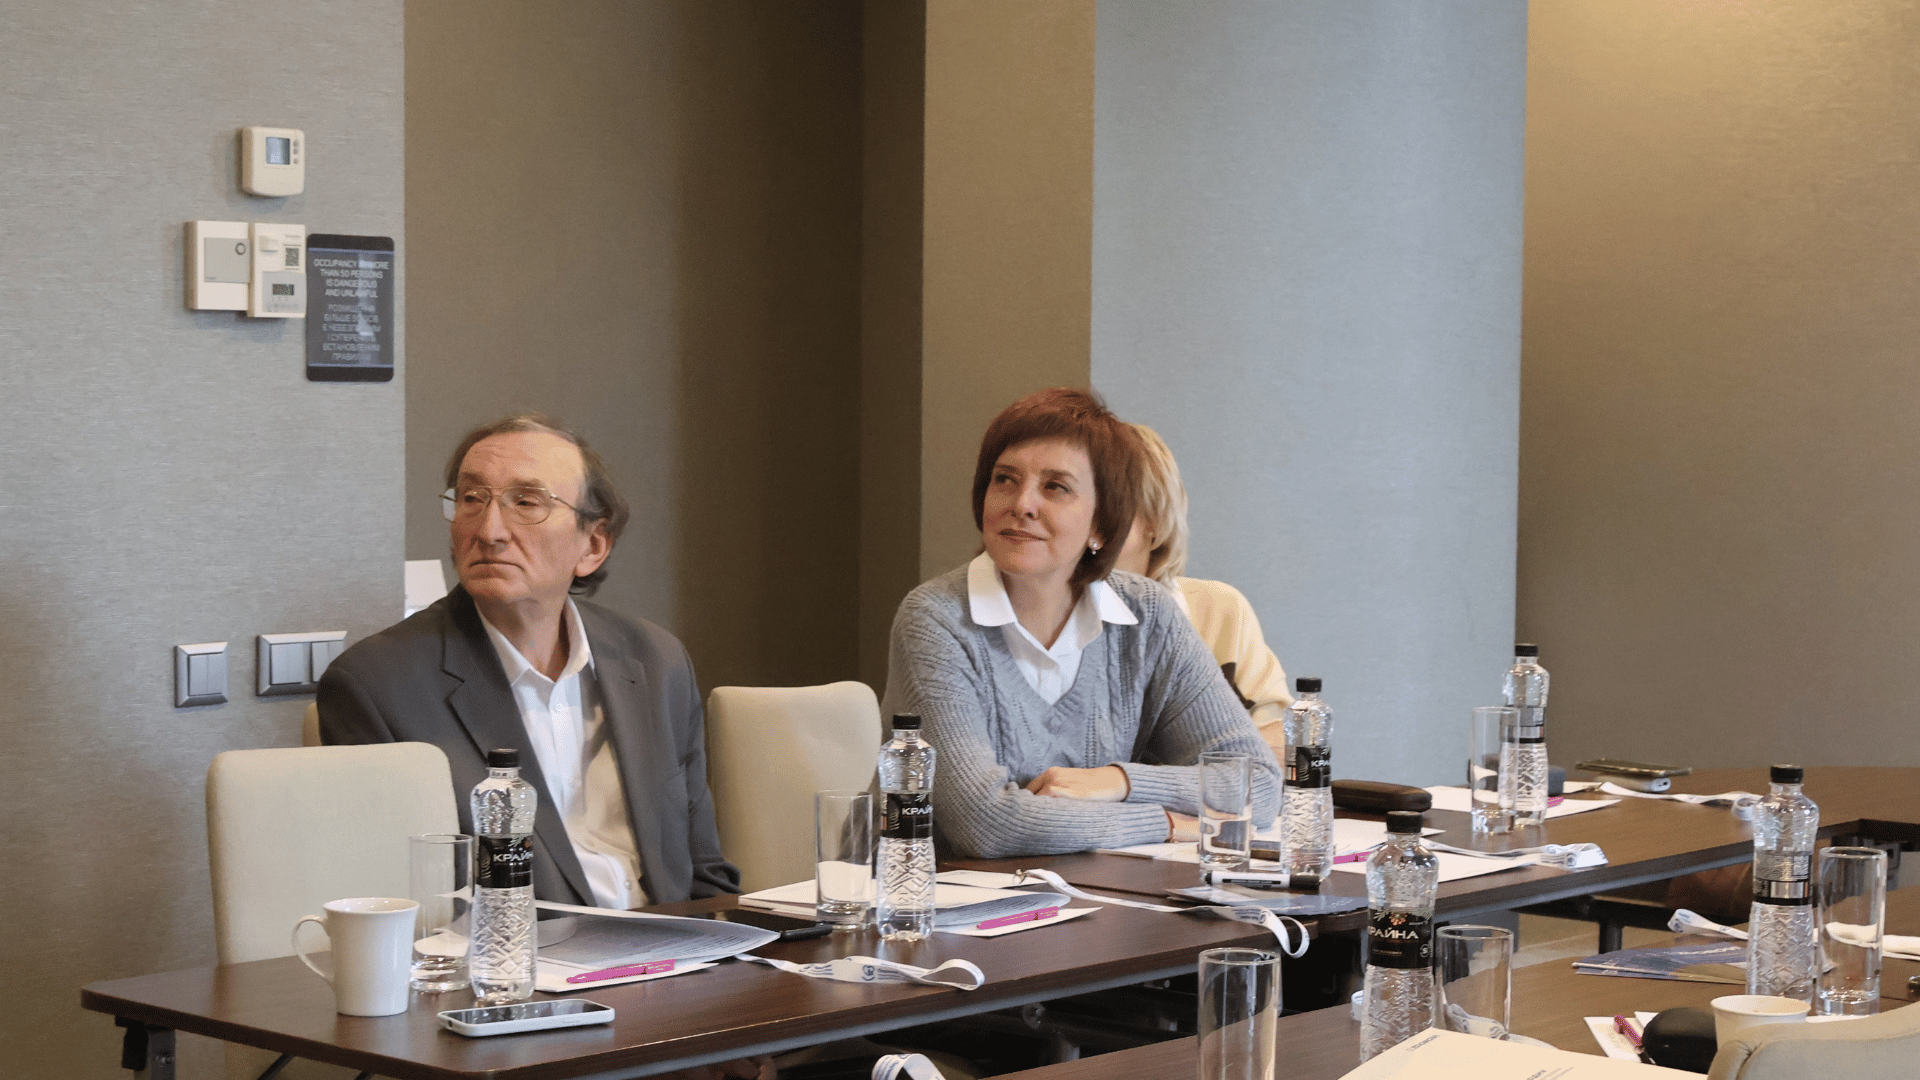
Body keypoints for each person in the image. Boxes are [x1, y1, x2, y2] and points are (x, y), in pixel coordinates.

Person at [319, 414, 740, 908]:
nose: (489, 530)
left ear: (593, 545)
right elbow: (404, 907)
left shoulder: (656, 661)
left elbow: (703, 872)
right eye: (471, 499)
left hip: (673, 945)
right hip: (516, 952)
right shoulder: (377, 685)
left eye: (526, 502)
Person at [882, 388, 1281, 859]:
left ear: (1101, 526)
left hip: (1102, 889)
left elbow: (1259, 784)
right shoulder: (935, 619)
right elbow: (986, 824)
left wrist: (1118, 781)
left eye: (1055, 487)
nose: (1022, 503)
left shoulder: (1148, 615)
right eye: (1005, 479)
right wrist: (1169, 823)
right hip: (950, 897)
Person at [1112, 423, 1294, 761]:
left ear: (1155, 520)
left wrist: (1129, 781)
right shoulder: (1055, 621)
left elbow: (1280, 748)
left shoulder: (1220, 610)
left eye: (1106, 507)